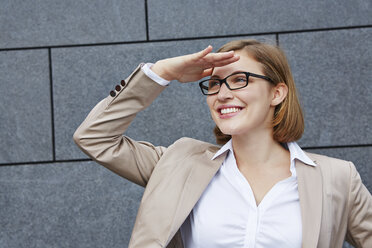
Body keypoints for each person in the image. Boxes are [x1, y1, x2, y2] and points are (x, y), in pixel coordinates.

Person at [73, 39, 372, 248]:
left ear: (277, 93)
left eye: (240, 79)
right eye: (215, 83)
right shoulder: (179, 163)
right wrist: (162, 73)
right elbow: (94, 137)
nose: (223, 93)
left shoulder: (337, 178)